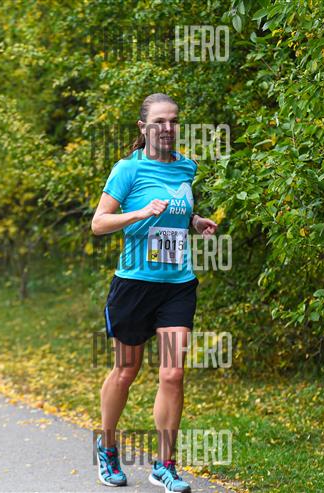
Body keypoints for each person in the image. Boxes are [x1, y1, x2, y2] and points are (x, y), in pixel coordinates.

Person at [91, 93, 217, 493]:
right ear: (143, 127)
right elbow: (99, 223)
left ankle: (165, 465)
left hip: (177, 285)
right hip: (134, 285)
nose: (168, 128)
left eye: (174, 121)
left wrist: (195, 221)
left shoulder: (187, 166)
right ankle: (107, 447)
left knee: (173, 373)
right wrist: (139, 213)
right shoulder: (128, 169)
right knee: (126, 371)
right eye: (160, 121)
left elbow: (178, 209)